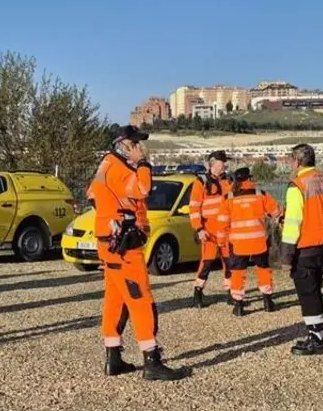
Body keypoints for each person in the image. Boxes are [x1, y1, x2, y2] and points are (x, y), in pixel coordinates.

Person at [91, 125, 189, 380]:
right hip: (124, 245)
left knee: (115, 299)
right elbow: (143, 189)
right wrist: (143, 162)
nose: (140, 148)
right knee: (141, 299)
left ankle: (113, 358)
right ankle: (151, 361)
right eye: (136, 144)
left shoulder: (105, 165)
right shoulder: (121, 168)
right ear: (125, 145)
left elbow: (92, 196)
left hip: (108, 241)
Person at [279, 144, 323, 355]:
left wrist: (286, 256)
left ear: (297, 161)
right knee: (315, 290)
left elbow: (293, 223)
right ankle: (318, 334)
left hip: (307, 245)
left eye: (290, 159)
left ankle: (317, 338)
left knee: (308, 293)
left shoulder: (298, 185)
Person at [218, 166, 280, 316]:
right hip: (259, 241)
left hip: (238, 243)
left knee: (238, 273)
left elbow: (222, 223)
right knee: (263, 270)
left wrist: (221, 242)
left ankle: (238, 306)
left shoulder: (228, 198)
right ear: (248, 180)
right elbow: (277, 212)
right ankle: (267, 302)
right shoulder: (261, 194)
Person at [189, 150, 232, 308]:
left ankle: (231, 293)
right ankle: (198, 292)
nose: (225, 165)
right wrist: (199, 229)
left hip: (226, 231)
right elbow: (194, 208)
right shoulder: (200, 182)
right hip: (209, 232)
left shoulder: (228, 180)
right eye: (223, 163)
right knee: (206, 263)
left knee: (229, 262)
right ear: (214, 163)